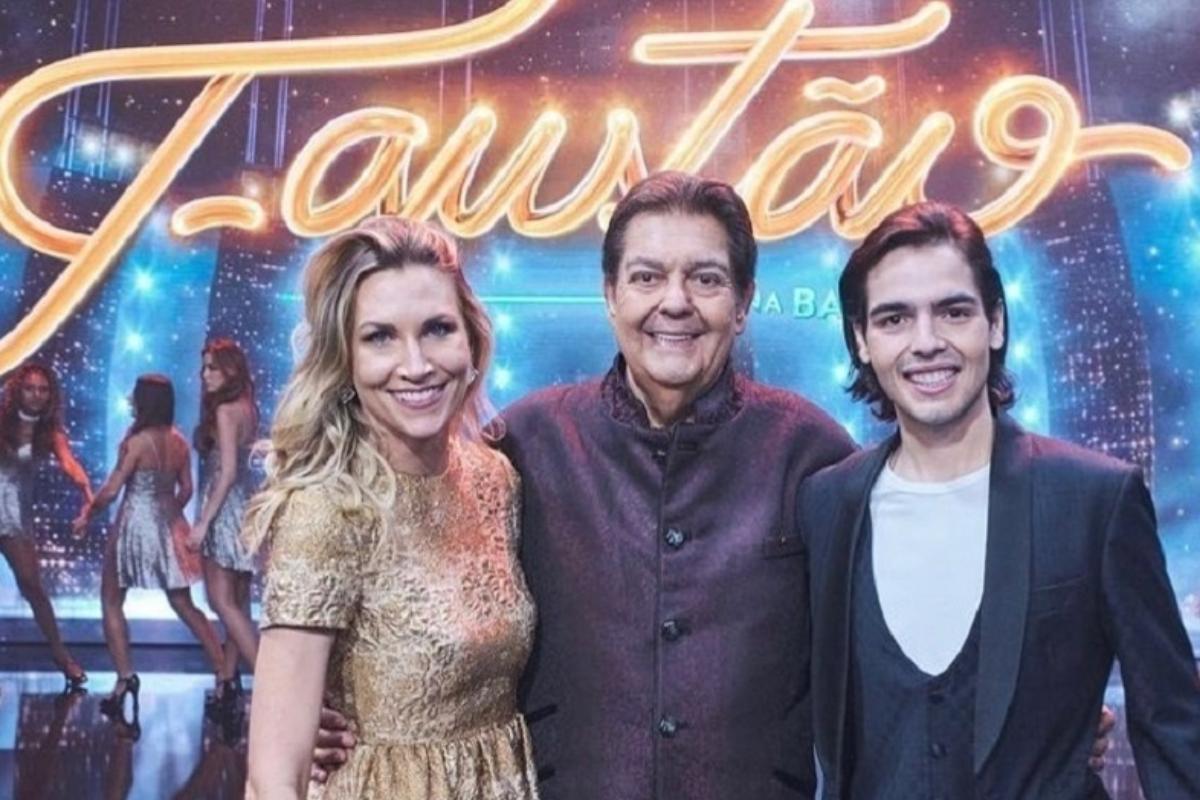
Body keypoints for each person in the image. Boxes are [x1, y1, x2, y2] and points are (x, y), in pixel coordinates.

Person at [798, 201, 1200, 798]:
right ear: (861, 341)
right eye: (894, 319)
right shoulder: (827, 504)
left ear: (995, 323)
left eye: (953, 312)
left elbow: (1171, 726)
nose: (926, 342)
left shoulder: (1095, 498)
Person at [244, 216, 538, 799]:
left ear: (472, 341)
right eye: (380, 337)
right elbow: (272, 778)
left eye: (438, 329)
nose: (416, 364)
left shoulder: (494, 479)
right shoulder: (329, 509)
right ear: (345, 360)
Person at [75, 374, 229, 730]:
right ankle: (224, 673)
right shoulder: (178, 442)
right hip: (168, 524)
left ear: (145, 401)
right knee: (183, 603)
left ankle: (125, 678)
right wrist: (169, 513)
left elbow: (112, 489)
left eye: (135, 395)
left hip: (133, 525)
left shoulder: (136, 442)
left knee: (111, 600)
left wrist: (87, 514)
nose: (130, 399)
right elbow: (186, 489)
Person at [0, 362, 92, 689]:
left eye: (42, 389)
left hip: (13, 515)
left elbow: (69, 463)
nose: (36, 395)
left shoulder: (50, 432)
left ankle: (61, 657)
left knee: (32, 586)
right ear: (17, 391)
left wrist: (87, 492)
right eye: (30, 388)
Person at [189, 338, 260, 711]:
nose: (205, 375)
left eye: (212, 367)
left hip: (224, 508)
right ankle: (227, 683)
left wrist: (203, 523)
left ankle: (271, 682)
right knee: (237, 603)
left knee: (221, 601)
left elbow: (228, 471)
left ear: (231, 370)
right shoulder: (246, 407)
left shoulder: (226, 411)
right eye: (203, 368)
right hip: (245, 507)